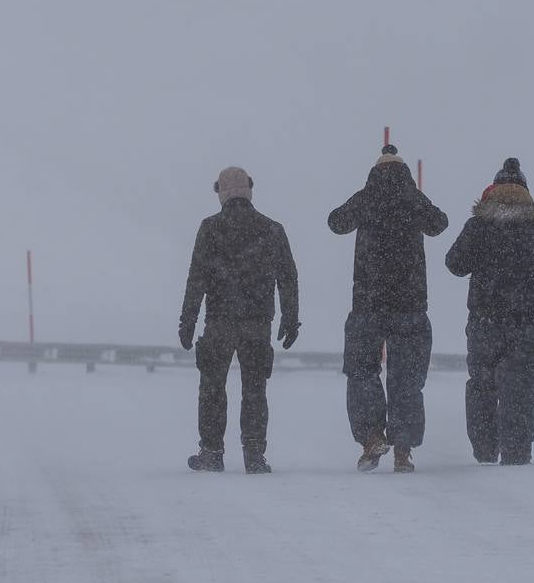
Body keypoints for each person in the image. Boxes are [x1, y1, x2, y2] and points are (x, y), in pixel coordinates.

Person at [444, 158, 534, 465]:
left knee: (482, 385)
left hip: (483, 323)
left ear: (492, 191)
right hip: (526, 323)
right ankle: (516, 452)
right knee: (522, 389)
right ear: (526, 194)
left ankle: (485, 450)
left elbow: (454, 264)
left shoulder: (478, 226)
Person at [328, 144, 448, 472]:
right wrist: (413, 200)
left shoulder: (366, 197)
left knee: (362, 370)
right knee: (407, 377)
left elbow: (336, 222)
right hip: (410, 304)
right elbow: (439, 223)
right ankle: (403, 450)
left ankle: (371, 437)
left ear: (374, 171)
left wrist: (368, 201)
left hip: (367, 302)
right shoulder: (412, 197)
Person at [180, 166, 300, 474]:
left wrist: (188, 320)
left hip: (219, 321)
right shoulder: (272, 229)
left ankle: (211, 452)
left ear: (219, 191)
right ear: (250, 189)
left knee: (211, 387)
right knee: (255, 388)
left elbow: (197, 279)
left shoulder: (209, 228)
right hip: (257, 322)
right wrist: (291, 317)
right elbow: (288, 277)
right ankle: (254, 455)